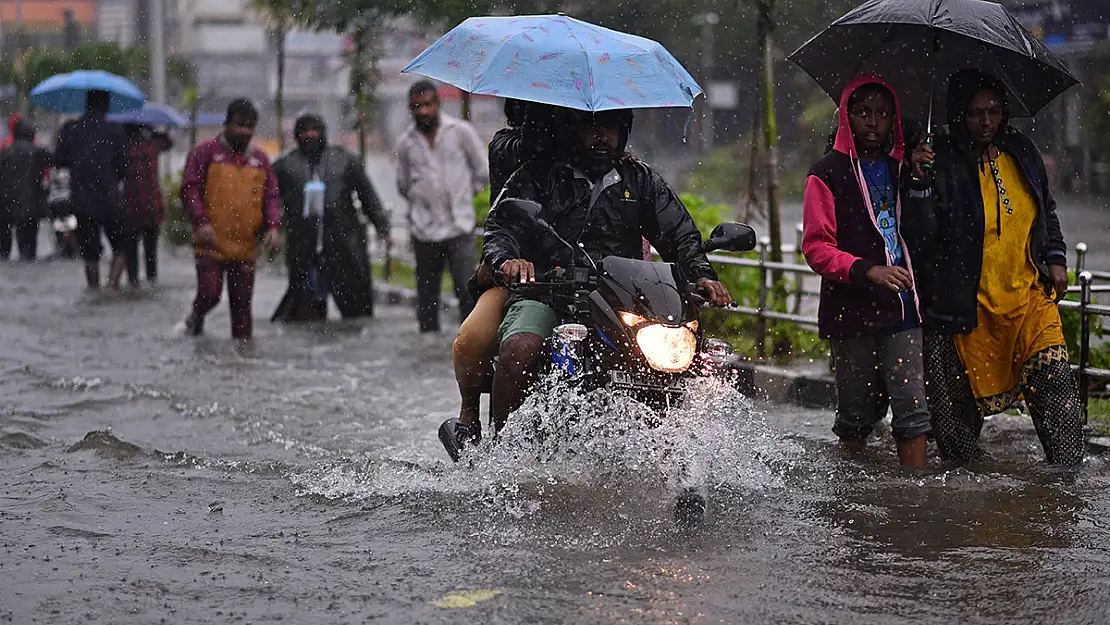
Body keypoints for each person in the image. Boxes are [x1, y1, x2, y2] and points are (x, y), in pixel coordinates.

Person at [438, 106, 732, 459]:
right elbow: (503, 226)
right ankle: (504, 455)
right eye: (592, 127)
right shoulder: (537, 173)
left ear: (624, 132)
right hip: (546, 292)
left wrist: (700, 273)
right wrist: (509, 259)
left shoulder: (640, 180)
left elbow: (680, 234)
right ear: (571, 128)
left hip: (619, 298)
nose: (601, 137)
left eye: (611, 128)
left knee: (685, 356)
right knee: (520, 348)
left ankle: (694, 457)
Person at [905, 69, 1084, 466]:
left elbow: (1045, 211)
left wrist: (1055, 258)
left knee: (1057, 390)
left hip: (1027, 299)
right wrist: (918, 181)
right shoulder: (941, 160)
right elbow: (919, 238)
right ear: (958, 115)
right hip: (962, 309)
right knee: (957, 439)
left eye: (994, 111)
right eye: (975, 113)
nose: (986, 121)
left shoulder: (1022, 151)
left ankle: (1067, 482)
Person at [801, 75, 931, 468]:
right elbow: (816, 248)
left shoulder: (903, 170)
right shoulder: (825, 173)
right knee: (856, 414)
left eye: (881, 114)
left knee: (912, 410)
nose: (872, 122)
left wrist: (922, 183)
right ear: (846, 118)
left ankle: (916, 496)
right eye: (862, 113)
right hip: (850, 309)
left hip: (902, 306)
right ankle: (853, 495)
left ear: (894, 119)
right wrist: (866, 270)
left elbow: (925, 233)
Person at [271, 113, 391, 322]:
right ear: (297, 135)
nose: (310, 135)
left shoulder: (345, 160)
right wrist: (268, 228)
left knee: (356, 316)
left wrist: (383, 228)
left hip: (344, 248)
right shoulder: (285, 166)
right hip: (304, 253)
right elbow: (268, 200)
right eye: (305, 131)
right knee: (306, 320)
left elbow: (368, 196)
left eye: (314, 130)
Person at [180, 99, 280, 339]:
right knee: (210, 294)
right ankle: (195, 317)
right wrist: (201, 221)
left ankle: (242, 365)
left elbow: (271, 196)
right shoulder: (205, 153)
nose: (244, 131)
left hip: (246, 246)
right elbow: (189, 189)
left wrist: (274, 226)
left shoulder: (260, 160)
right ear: (226, 124)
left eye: (249, 126)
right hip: (211, 242)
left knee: (242, 310)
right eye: (239, 125)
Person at [395, 80, 489, 333]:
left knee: (467, 289)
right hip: (424, 230)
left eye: (427, 104)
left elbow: (481, 171)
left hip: (460, 226)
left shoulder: (461, 132)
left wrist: (464, 196)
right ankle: (428, 348)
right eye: (417, 106)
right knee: (426, 296)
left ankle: (469, 344)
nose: (423, 111)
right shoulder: (406, 143)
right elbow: (403, 185)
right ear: (410, 108)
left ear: (438, 104)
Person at [54, 90, 129, 288]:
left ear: (86, 105)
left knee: (90, 253)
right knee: (121, 247)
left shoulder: (71, 128)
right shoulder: (115, 130)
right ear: (106, 106)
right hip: (109, 199)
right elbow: (124, 168)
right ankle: (112, 286)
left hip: (81, 200)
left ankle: (94, 290)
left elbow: (58, 161)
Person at [121, 124, 173, 286]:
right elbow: (169, 143)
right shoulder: (153, 145)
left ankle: (133, 282)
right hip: (152, 206)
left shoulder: (124, 147)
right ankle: (152, 281)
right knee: (151, 252)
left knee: (131, 252)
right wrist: (157, 131)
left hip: (131, 207)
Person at [0, 118, 50, 261]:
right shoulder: (39, 152)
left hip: (6, 203)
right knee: (28, 248)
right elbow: (56, 162)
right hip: (31, 204)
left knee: (3, 248)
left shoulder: (5, 152)